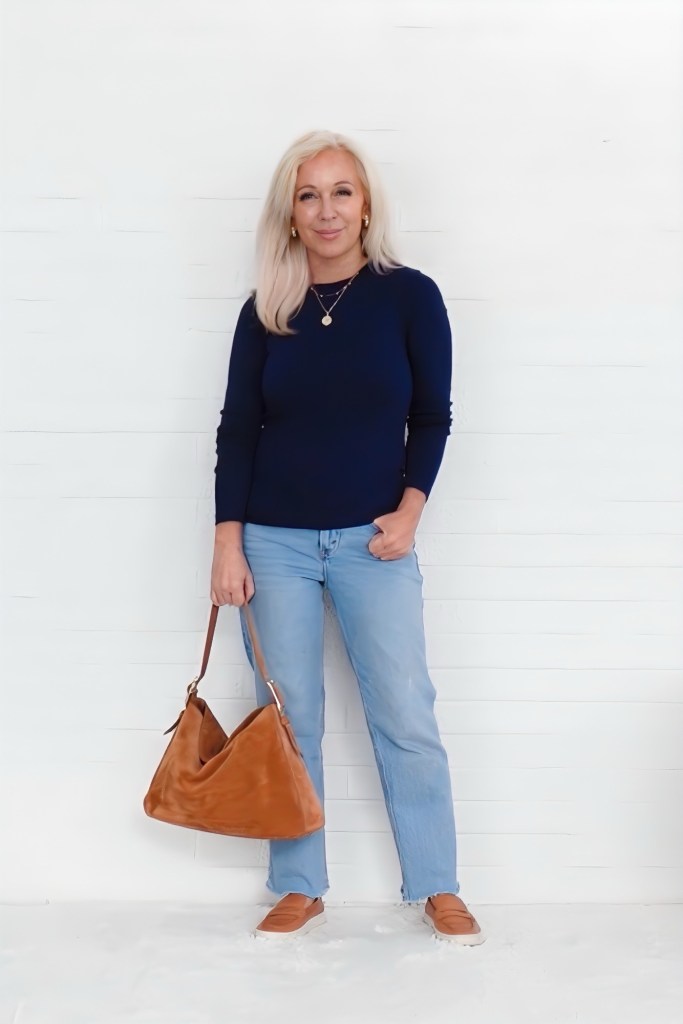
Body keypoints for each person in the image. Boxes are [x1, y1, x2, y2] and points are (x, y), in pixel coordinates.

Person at [210, 129, 485, 946]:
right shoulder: (266, 309)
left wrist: (410, 510)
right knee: (287, 717)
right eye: (308, 195)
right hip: (274, 543)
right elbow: (238, 430)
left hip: (374, 543)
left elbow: (430, 416)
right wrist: (228, 542)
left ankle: (435, 883)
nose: (325, 209)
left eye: (340, 192)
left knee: (404, 712)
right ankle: (300, 883)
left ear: (365, 206)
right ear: (290, 214)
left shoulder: (409, 297)